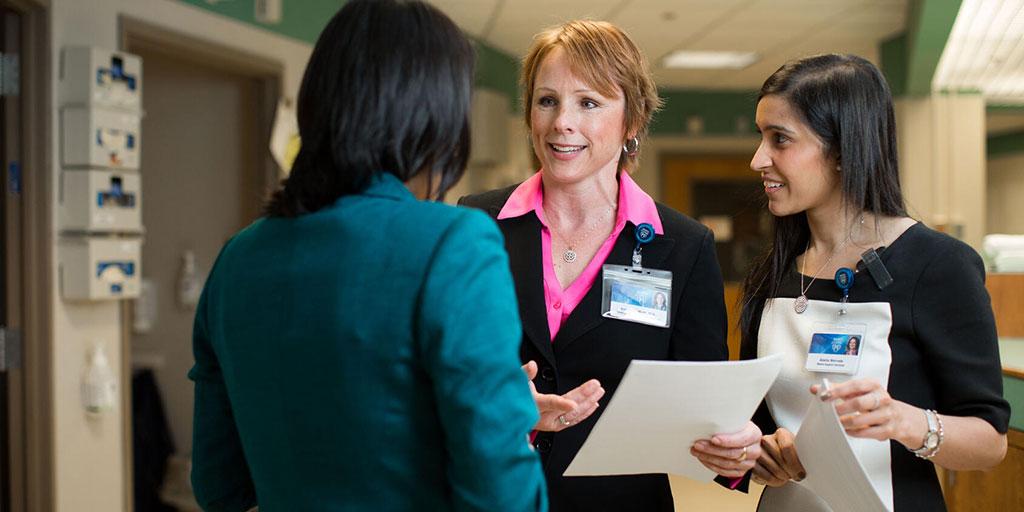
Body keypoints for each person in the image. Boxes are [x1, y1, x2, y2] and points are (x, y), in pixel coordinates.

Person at [188, 1, 547, 510]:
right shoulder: (455, 243)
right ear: (436, 119)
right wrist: (505, 411)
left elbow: (218, 486)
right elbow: (502, 492)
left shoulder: (237, 259)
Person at [460, 20, 761, 511]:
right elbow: (438, 371)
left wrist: (733, 444)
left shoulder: (683, 248)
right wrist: (500, 403)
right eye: (547, 100)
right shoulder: (477, 224)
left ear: (633, 121)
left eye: (589, 103)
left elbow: (703, 409)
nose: (562, 122)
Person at [740, 54, 1010, 511]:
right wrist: (763, 453)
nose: (757, 160)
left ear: (844, 150)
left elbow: (989, 443)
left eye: (780, 140)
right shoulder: (774, 270)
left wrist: (904, 422)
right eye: (761, 137)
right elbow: (760, 423)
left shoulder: (938, 266)